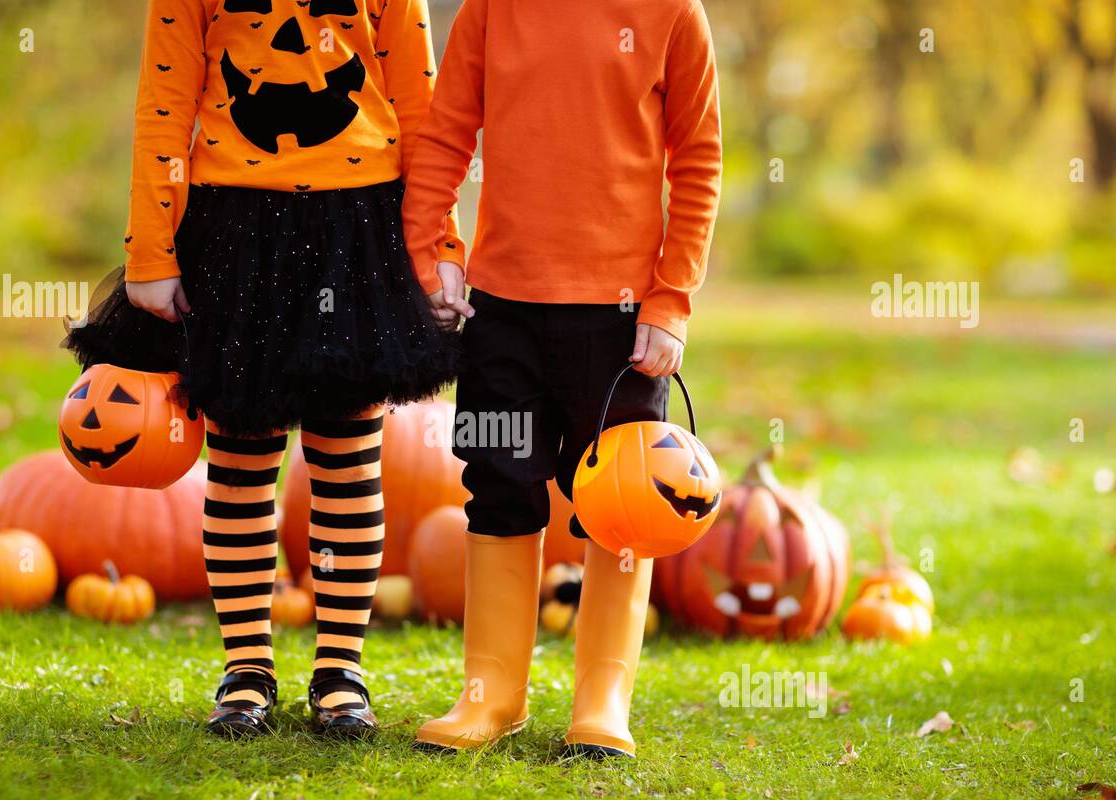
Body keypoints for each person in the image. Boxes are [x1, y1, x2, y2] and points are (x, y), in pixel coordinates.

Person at [67, 0, 462, 739]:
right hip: (234, 232)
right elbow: (165, 105)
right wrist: (152, 253)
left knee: (348, 461)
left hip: (359, 230)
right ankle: (247, 667)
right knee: (241, 462)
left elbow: (424, 108)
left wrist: (437, 250)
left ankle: (340, 670)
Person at [403, 0, 722, 757]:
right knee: (498, 483)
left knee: (623, 503)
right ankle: (492, 693)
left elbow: (700, 159)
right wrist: (431, 248)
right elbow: (445, 131)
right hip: (501, 314)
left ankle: (603, 700)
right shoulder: (490, 9)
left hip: (622, 325)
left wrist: (671, 299)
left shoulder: (675, 14)